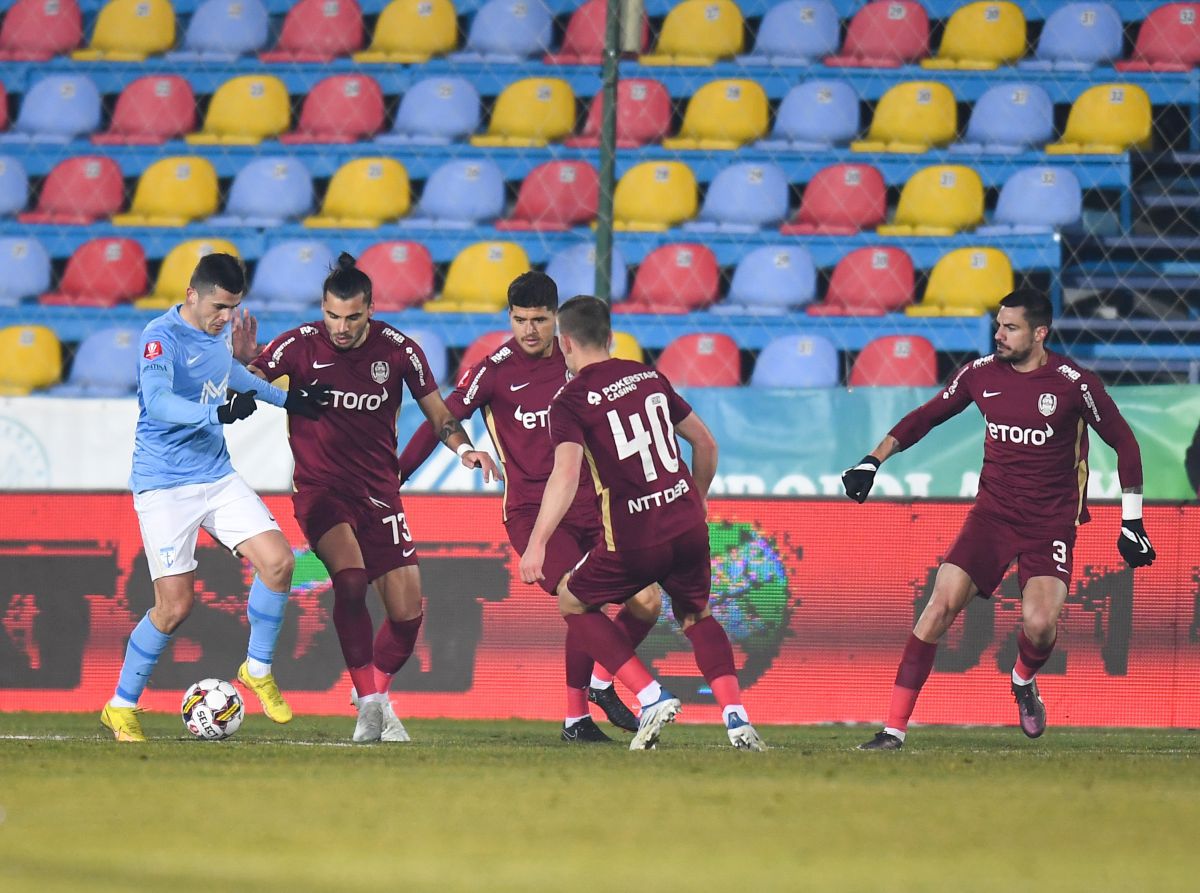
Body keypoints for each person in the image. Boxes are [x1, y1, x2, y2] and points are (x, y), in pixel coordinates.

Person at [843, 289, 1156, 751]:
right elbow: (927, 416)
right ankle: (893, 730)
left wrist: (1132, 523)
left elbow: (1125, 444)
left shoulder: (1074, 383)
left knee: (1040, 625)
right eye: (998, 325)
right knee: (939, 606)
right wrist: (872, 460)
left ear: (1040, 333)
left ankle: (1023, 679)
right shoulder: (980, 374)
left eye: (1011, 328)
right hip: (991, 516)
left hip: (1050, 524)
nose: (999, 335)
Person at [399, 272, 661, 743]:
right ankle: (642, 696)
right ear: (509, 318)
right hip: (533, 512)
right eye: (520, 320)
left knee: (647, 601)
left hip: (594, 505)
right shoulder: (495, 370)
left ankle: (596, 691)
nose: (530, 331)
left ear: (556, 319)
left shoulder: (579, 359)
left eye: (540, 320)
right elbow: (442, 417)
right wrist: (403, 474)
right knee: (579, 595)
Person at [247, 253, 499, 743]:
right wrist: (240, 361)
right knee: (351, 580)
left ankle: (377, 697)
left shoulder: (399, 351)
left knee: (407, 616)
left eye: (352, 317)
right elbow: (255, 375)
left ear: (370, 310)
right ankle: (367, 704)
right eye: (332, 316)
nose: (340, 328)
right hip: (321, 491)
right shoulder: (299, 344)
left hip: (379, 493)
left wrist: (464, 449)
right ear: (323, 308)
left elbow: (439, 414)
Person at [518, 295, 766, 752]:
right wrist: (699, 497)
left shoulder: (569, 400)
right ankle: (737, 721)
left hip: (634, 535)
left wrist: (537, 543)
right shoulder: (648, 376)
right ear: (611, 337)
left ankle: (650, 696)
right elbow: (706, 445)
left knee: (573, 601)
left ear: (564, 343)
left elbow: (566, 476)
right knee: (697, 615)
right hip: (687, 522)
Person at [100, 253, 331, 742]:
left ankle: (257, 669)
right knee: (174, 607)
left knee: (279, 562)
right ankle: (120, 706)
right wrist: (216, 415)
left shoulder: (215, 337)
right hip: (164, 485)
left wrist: (287, 398)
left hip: (215, 474)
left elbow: (233, 375)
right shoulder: (159, 338)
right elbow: (158, 401)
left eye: (234, 307)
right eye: (220, 307)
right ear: (191, 295)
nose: (226, 317)